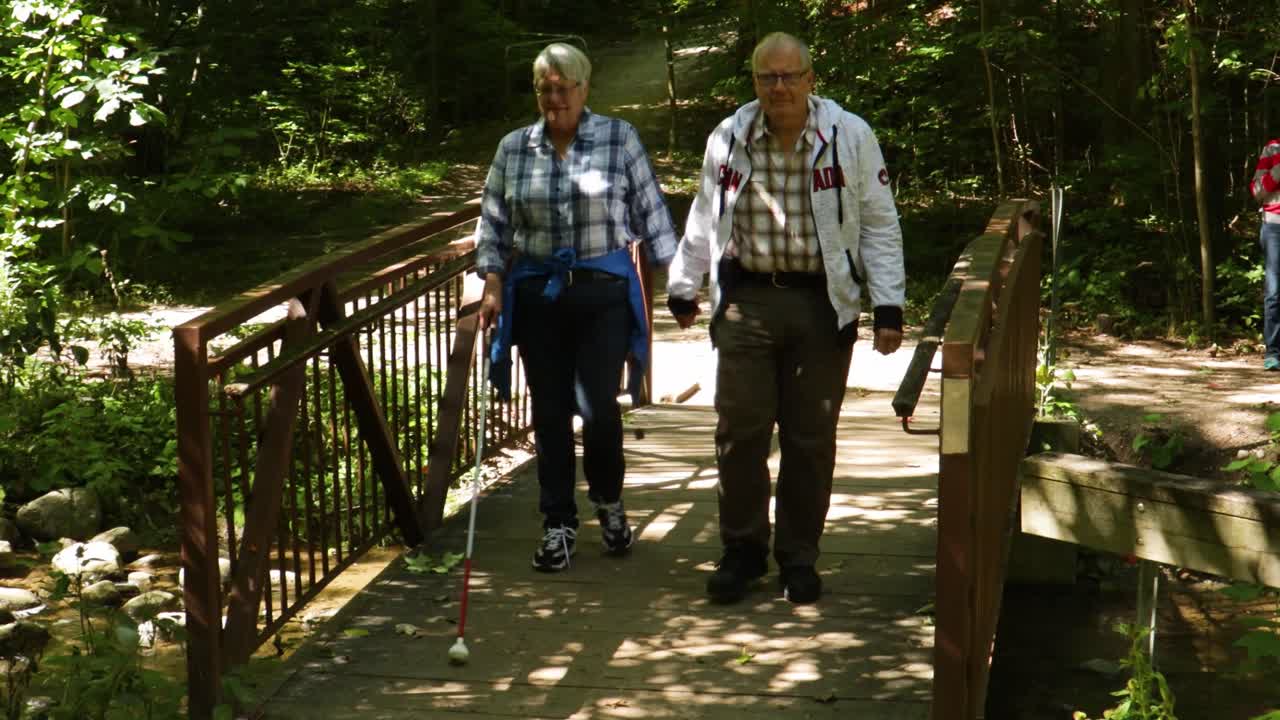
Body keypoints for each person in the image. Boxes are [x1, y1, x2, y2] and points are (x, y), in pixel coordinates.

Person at [665, 32, 905, 604]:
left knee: (810, 438)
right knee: (739, 433)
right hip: (746, 299)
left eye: (789, 76)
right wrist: (683, 281)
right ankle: (742, 551)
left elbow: (878, 222)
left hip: (824, 304)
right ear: (754, 82)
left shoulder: (849, 135)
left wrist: (888, 304)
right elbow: (705, 213)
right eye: (767, 78)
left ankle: (799, 556)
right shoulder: (729, 137)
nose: (779, 88)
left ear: (809, 78)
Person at [474, 43, 679, 572]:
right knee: (548, 413)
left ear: (585, 89)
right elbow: (492, 225)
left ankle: (609, 503)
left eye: (565, 87)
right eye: (546, 87)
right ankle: (558, 522)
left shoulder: (618, 137)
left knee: (598, 411)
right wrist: (493, 283)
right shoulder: (514, 149)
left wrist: (680, 282)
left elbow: (651, 211)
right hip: (540, 296)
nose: (555, 97)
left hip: (602, 295)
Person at [1252, 137, 1280, 371]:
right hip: (1274, 226)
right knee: (1274, 291)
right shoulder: (1273, 148)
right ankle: (1273, 352)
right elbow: (1257, 191)